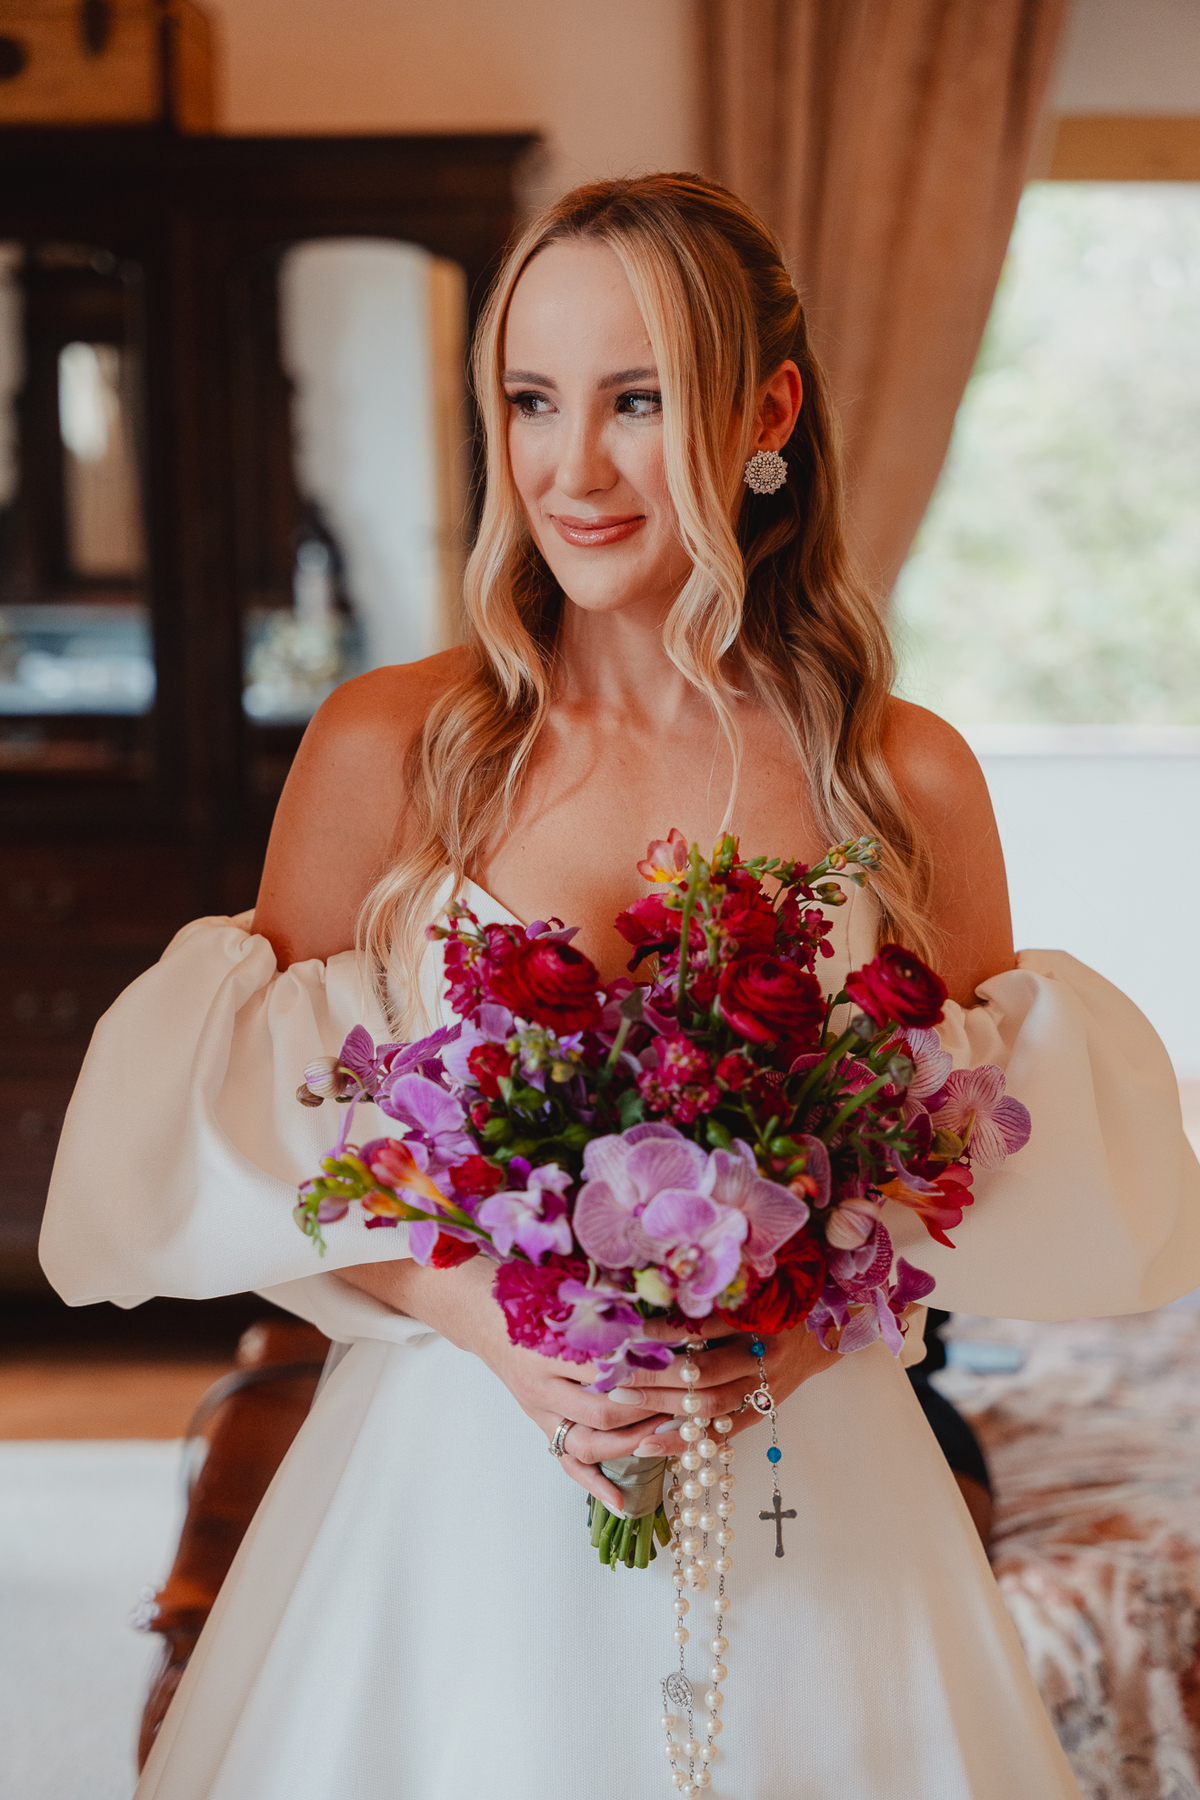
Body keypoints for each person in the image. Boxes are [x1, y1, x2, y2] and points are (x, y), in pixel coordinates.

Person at [41, 174, 1200, 1800]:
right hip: (453, 1484)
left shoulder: (899, 778)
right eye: (532, 401)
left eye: (636, 401)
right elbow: (287, 1154)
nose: (571, 468)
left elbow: (958, 1165)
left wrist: (789, 1344)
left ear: (766, 415)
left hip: (813, 1486)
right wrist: (491, 1328)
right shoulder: (394, 747)